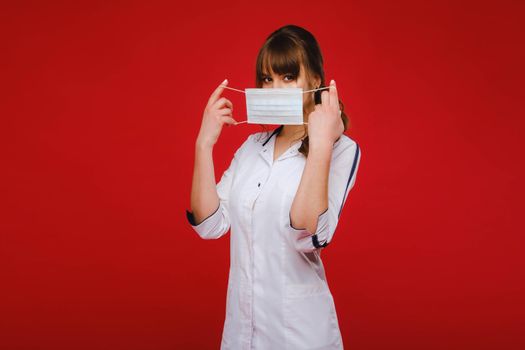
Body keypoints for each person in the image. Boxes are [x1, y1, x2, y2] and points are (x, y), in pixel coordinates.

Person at [186, 24, 361, 350]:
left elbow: (308, 233)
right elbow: (209, 223)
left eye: (288, 77)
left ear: (315, 81)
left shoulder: (342, 150)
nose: (274, 88)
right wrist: (203, 143)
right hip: (242, 331)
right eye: (267, 79)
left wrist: (321, 141)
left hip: (300, 335)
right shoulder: (252, 147)